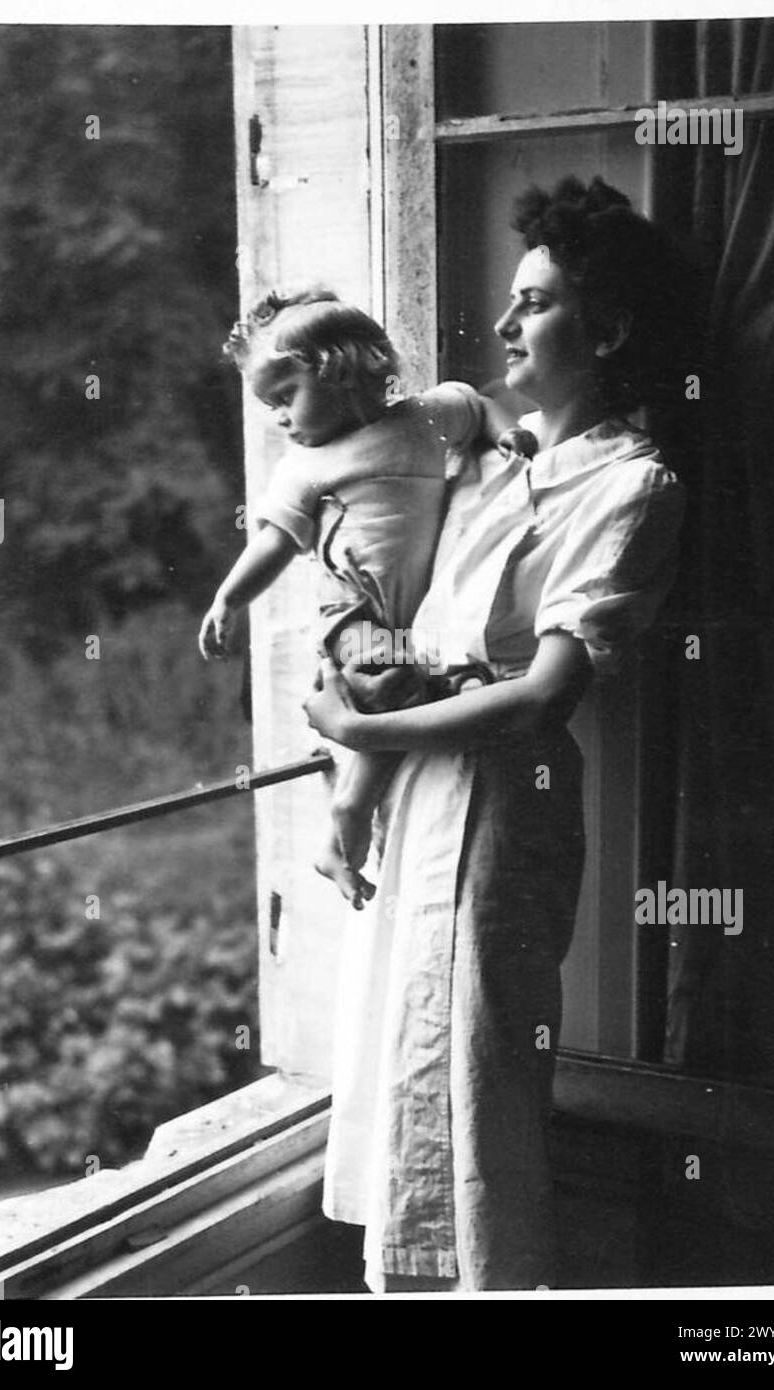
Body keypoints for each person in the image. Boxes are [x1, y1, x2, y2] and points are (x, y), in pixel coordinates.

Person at [302, 176, 687, 1292]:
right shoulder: (476, 465)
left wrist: (361, 728)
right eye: (511, 304)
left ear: (606, 330)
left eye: (538, 304)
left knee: (473, 1077)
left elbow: (537, 696)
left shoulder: (630, 488)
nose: (507, 325)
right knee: (402, 1059)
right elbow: (382, 596)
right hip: (420, 793)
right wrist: (347, 763)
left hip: (503, 809)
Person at [199, 287, 535, 906]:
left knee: (426, 677)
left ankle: (344, 831)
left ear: (340, 371)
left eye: (284, 396)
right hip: (352, 611)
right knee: (391, 680)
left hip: (414, 613)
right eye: (270, 405)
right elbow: (271, 543)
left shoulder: (423, 418)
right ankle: (350, 816)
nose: (278, 417)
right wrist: (230, 599)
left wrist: (509, 433)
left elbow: (476, 402)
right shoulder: (307, 468)